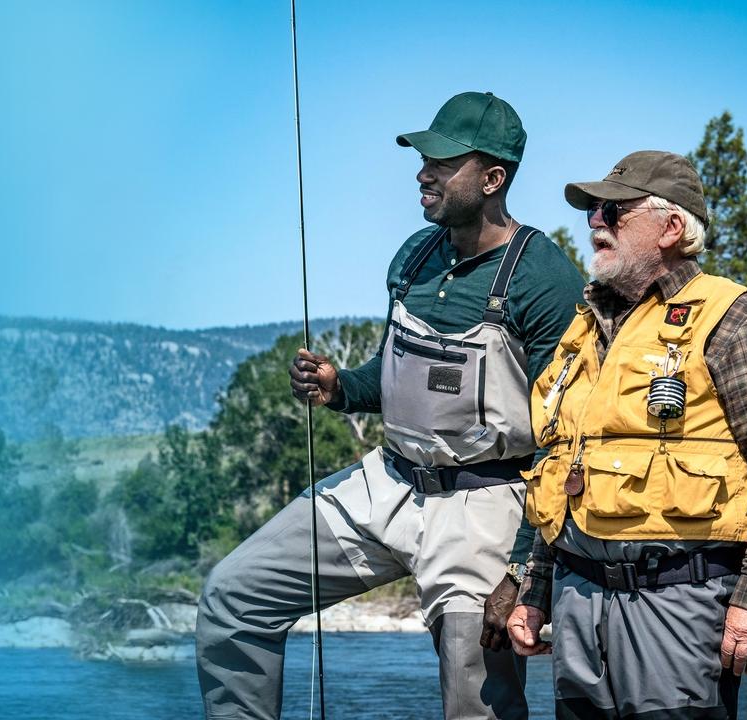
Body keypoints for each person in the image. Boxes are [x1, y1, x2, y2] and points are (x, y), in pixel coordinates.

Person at [195, 91, 584, 720]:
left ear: (493, 178)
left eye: (442, 161)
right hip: (387, 483)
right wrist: (341, 387)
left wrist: (521, 566)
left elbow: (567, 437)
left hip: (485, 507)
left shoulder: (545, 280)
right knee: (234, 594)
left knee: (474, 692)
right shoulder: (415, 255)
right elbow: (401, 375)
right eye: (423, 157)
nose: (423, 173)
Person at [504, 151, 747, 719]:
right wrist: (534, 592)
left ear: (671, 228)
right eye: (593, 211)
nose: (594, 221)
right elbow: (563, 471)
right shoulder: (582, 329)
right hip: (577, 600)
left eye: (613, 211)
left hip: (679, 600)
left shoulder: (734, 317)